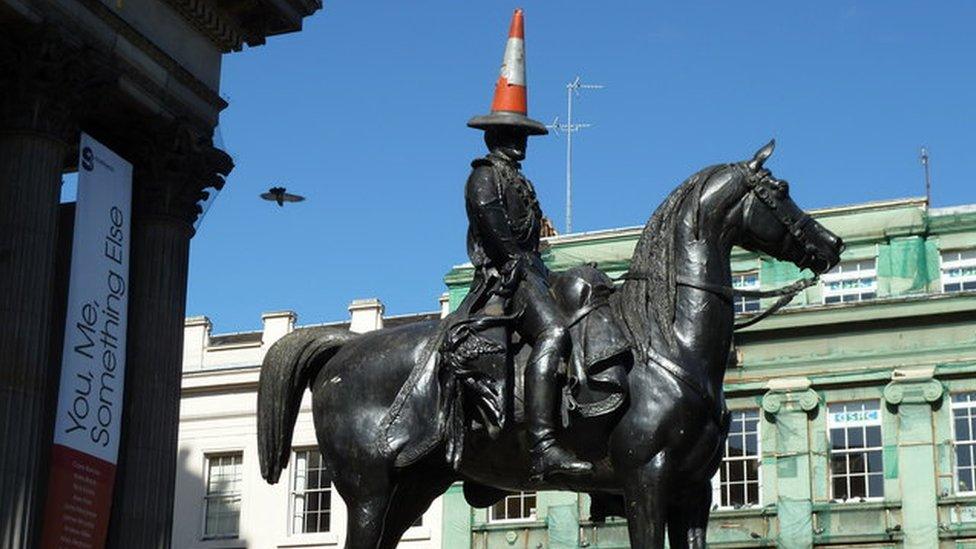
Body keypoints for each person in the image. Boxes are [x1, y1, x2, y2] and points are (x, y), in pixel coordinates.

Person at [463, 8, 592, 481]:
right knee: (555, 333)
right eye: (515, 133)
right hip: (505, 280)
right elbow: (499, 238)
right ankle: (542, 445)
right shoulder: (483, 178)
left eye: (524, 134)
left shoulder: (522, 181)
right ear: (496, 133)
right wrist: (525, 263)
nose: (522, 142)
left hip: (532, 271)